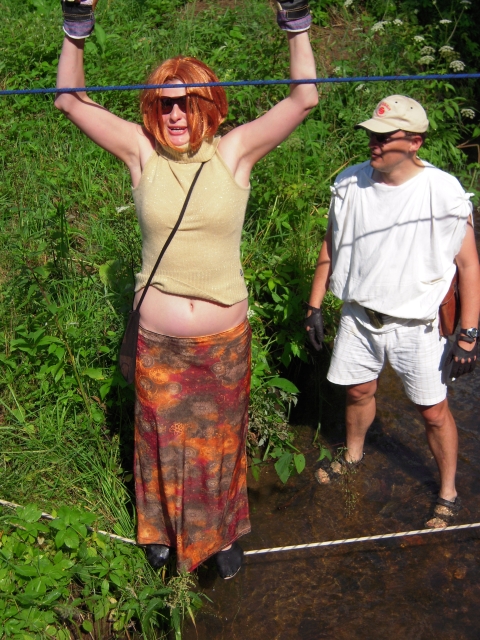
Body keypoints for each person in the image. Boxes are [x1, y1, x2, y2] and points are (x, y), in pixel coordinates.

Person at [55, 0, 318, 577]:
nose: (175, 115)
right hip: (160, 345)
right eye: (164, 104)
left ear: (209, 105)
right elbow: (70, 99)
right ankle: (160, 532)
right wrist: (76, 23)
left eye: (187, 103)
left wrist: (296, 22)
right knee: (160, 441)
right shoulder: (141, 153)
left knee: (220, 442)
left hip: (222, 346)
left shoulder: (234, 153)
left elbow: (304, 98)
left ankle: (220, 537)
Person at [305, 95, 480, 529]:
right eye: (372, 135)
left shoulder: (443, 192)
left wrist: (468, 334)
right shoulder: (349, 183)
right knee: (358, 392)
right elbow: (331, 244)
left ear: (415, 142)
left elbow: (468, 265)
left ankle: (448, 491)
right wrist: (314, 306)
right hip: (359, 318)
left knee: (433, 411)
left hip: (418, 327)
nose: (374, 143)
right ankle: (354, 455)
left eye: (385, 137)